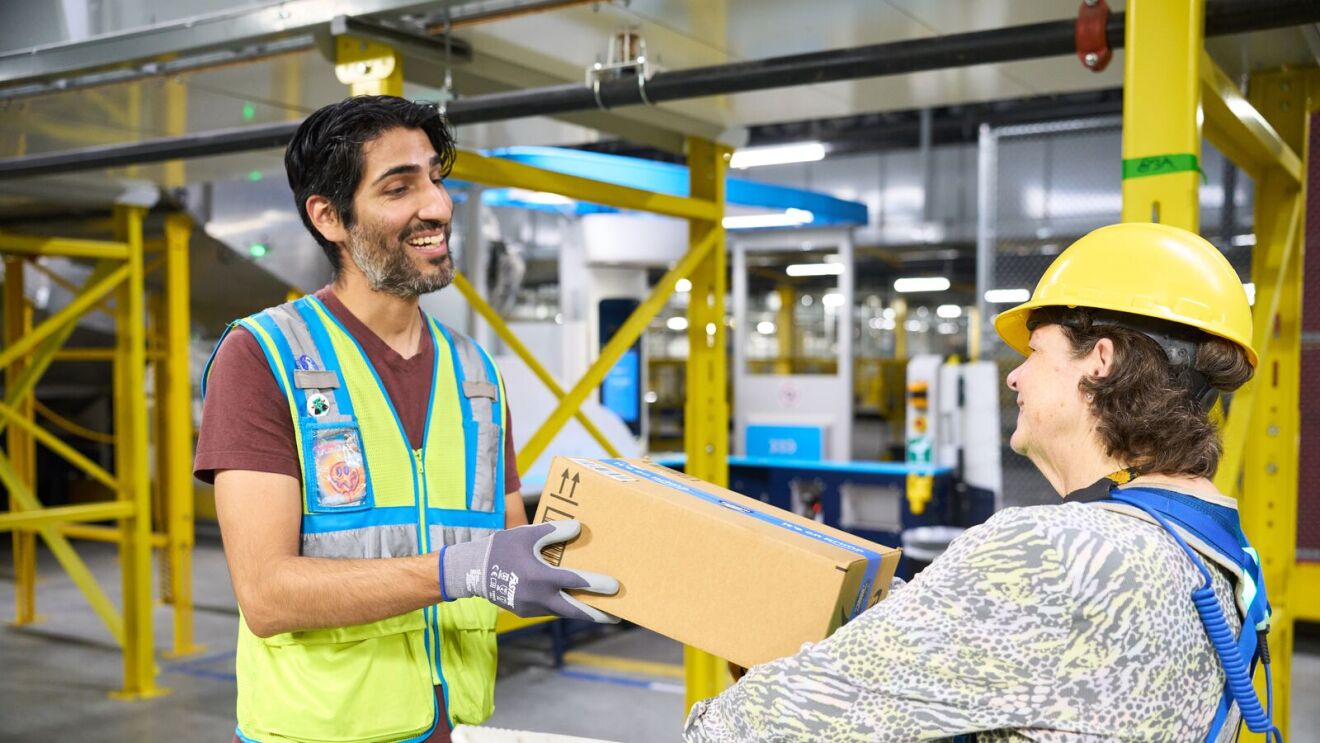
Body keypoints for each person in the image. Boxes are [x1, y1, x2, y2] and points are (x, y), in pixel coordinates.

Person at [684, 222, 1281, 742]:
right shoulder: (1219, 550)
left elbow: (750, 727)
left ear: (1099, 361)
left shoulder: (1052, 554)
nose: (1015, 377)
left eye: (1036, 350)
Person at [194, 95, 618, 743]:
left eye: (437, 179)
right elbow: (267, 593)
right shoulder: (265, 356)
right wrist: (455, 570)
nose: (438, 206)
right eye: (400, 187)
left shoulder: (476, 373)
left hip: (460, 728)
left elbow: (508, 552)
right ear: (329, 217)